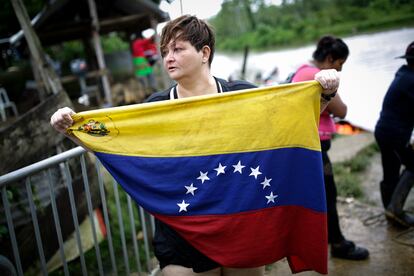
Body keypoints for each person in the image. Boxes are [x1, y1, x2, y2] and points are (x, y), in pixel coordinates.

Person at [51, 15, 340, 276]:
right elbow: (113, 144)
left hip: (240, 220)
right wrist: (71, 129)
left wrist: (325, 93)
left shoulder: (241, 96)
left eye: (178, 49)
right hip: (182, 227)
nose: (168, 58)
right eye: (165, 51)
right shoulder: (156, 108)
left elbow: (292, 120)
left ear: (205, 53)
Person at [291, 35, 369, 261]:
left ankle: (326, 237)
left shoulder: (303, 70)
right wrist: (334, 106)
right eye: (339, 64)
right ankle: (337, 244)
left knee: (320, 194)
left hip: (307, 147)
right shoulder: (316, 77)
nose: (340, 71)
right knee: (328, 194)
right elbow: (342, 110)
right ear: (330, 58)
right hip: (313, 149)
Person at [374, 41, 414, 228]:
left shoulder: (403, 73)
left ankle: (390, 211)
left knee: (390, 171)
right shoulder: (411, 81)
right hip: (394, 135)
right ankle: (395, 210)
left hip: (384, 131)